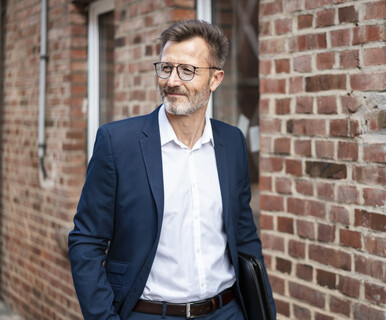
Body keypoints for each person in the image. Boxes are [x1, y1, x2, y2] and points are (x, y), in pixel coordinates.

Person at [68, 19, 276, 320]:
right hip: (149, 313)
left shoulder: (231, 143)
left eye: (187, 70)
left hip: (227, 311)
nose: (172, 81)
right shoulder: (117, 143)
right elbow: (86, 242)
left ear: (215, 79)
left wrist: (262, 312)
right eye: (166, 68)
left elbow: (245, 239)